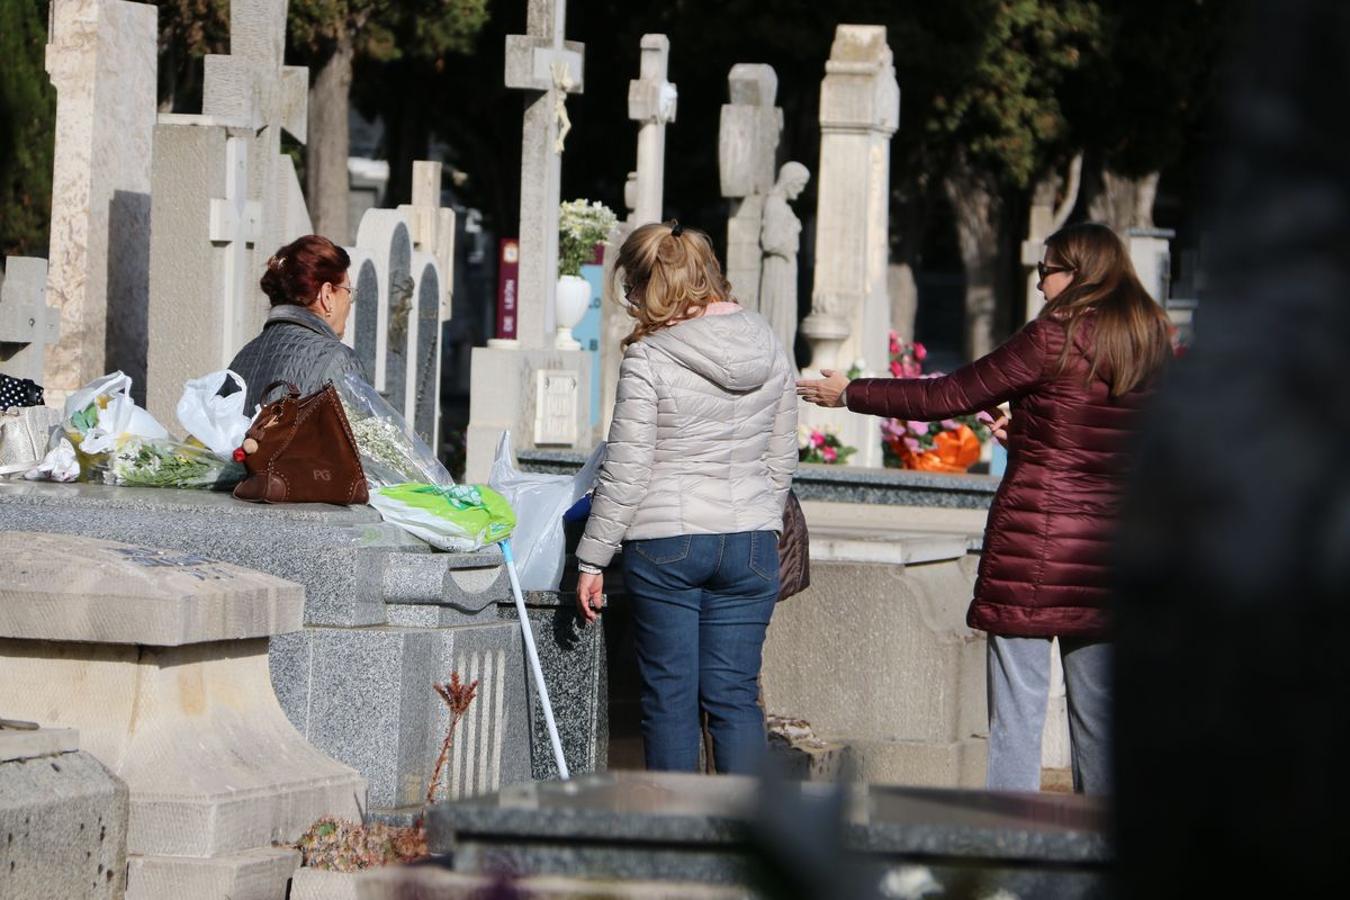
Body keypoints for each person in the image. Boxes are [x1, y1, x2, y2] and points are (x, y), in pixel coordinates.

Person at [797, 222, 1171, 794]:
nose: (1042, 286)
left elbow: (943, 396)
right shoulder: (1151, 339)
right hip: (1109, 555)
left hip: (1034, 551)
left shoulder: (1054, 336)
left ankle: (1007, 852)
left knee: (1016, 719)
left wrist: (849, 392)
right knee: (1100, 724)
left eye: (1046, 272)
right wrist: (1028, 438)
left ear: (1077, 273)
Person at [574, 221, 798, 775]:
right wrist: (763, 522)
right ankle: (746, 844)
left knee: (670, 701)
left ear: (650, 286)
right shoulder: (767, 340)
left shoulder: (650, 357)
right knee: (734, 698)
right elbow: (781, 457)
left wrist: (592, 558)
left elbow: (626, 470)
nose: (630, 303)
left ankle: (677, 842)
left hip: (666, 543)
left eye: (631, 290)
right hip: (750, 541)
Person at [229, 234, 366, 411]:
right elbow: (361, 436)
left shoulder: (243, 358)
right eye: (348, 292)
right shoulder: (337, 360)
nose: (349, 302)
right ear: (327, 295)